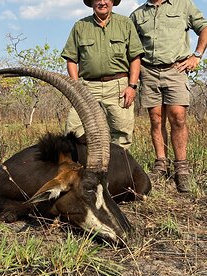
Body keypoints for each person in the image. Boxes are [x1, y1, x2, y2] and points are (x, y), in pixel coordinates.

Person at [130, 0, 207, 192]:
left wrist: (197, 55)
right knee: (156, 119)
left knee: (178, 118)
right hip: (148, 71)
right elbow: (130, 45)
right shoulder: (138, 14)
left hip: (176, 69)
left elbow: (204, 28)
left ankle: (181, 167)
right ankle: (161, 164)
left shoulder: (183, 5)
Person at [61, 0, 144, 149]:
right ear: (92, 2)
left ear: (112, 2)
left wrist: (132, 86)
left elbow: (135, 58)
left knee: (121, 133)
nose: (102, 2)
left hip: (118, 86)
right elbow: (71, 59)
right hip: (87, 87)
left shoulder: (125, 23)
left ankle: (118, 169)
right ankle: (78, 168)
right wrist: (76, 86)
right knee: (73, 130)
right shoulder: (80, 26)